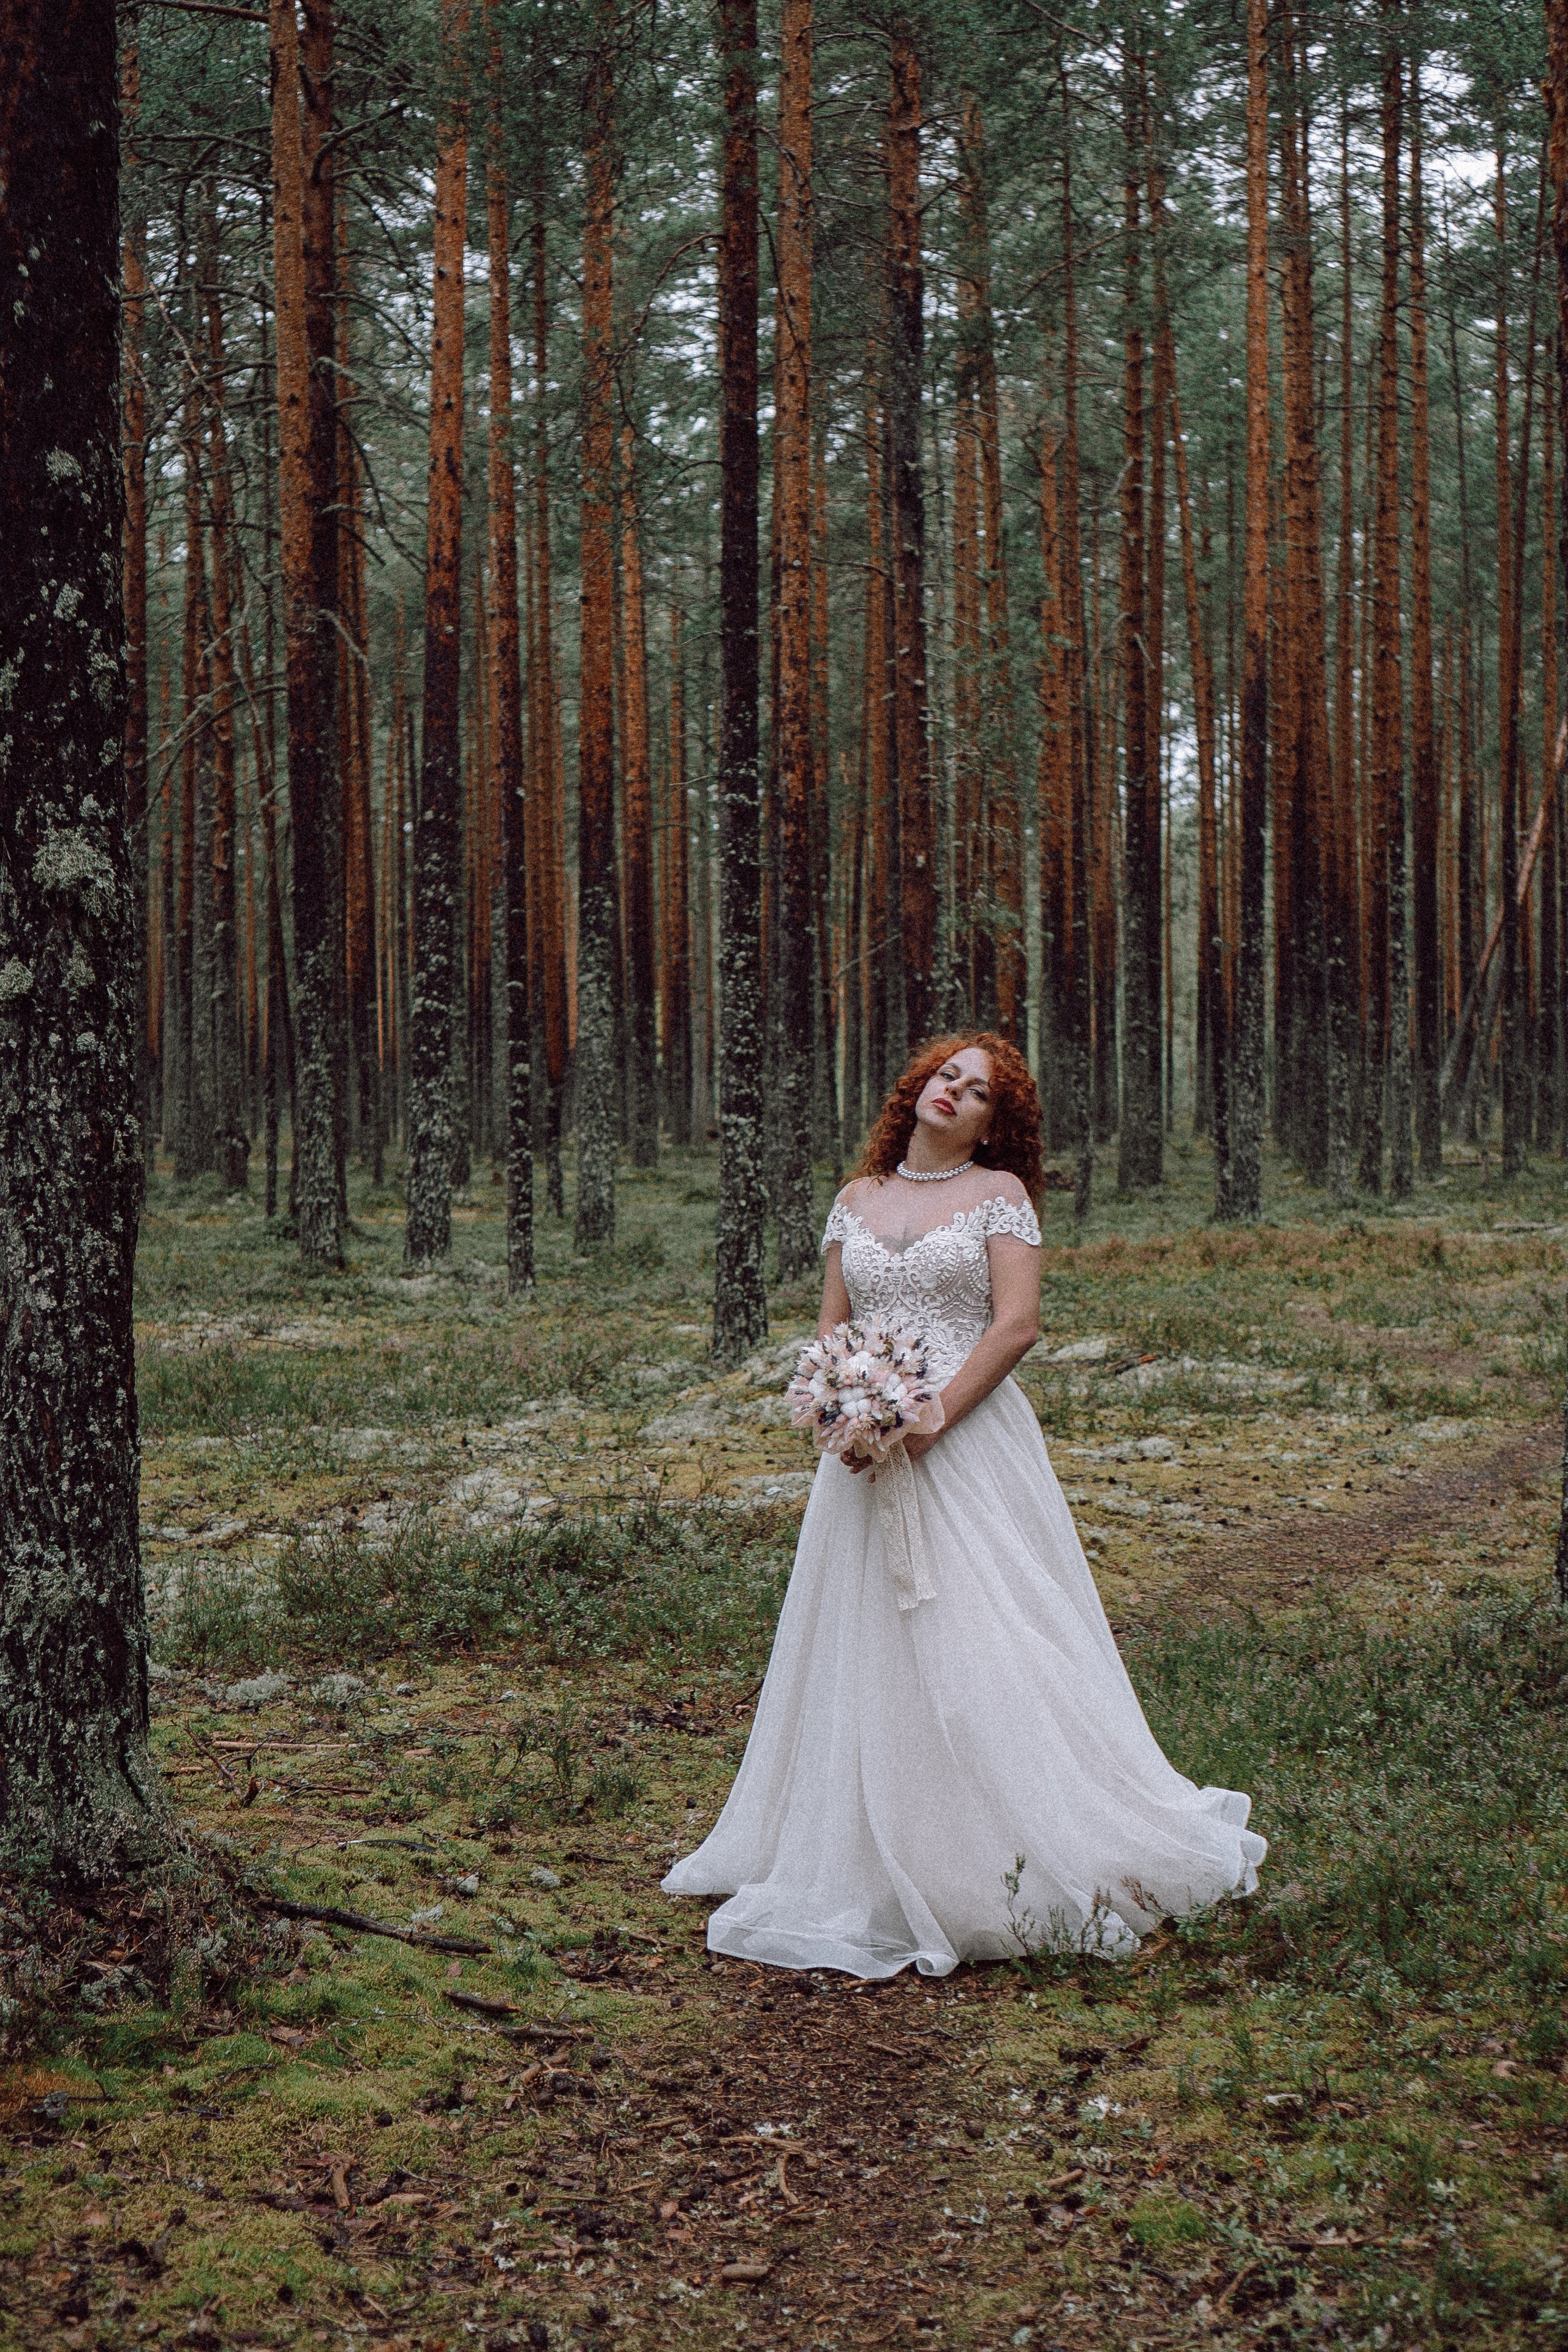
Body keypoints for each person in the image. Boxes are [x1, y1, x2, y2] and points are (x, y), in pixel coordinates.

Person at [665, 1034, 1265, 1978]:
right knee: (864, 1636)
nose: (955, 1091)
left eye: (979, 1091)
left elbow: (1017, 1325)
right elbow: (833, 1325)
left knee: (981, 1627)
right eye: (948, 1075)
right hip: (865, 1449)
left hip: (967, 1438)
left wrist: (933, 1416)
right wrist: (838, 1408)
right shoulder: (857, 1198)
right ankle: (865, 1846)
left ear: (994, 1123)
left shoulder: (999, 1195)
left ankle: (1003, 1848)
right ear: (919, 1086)